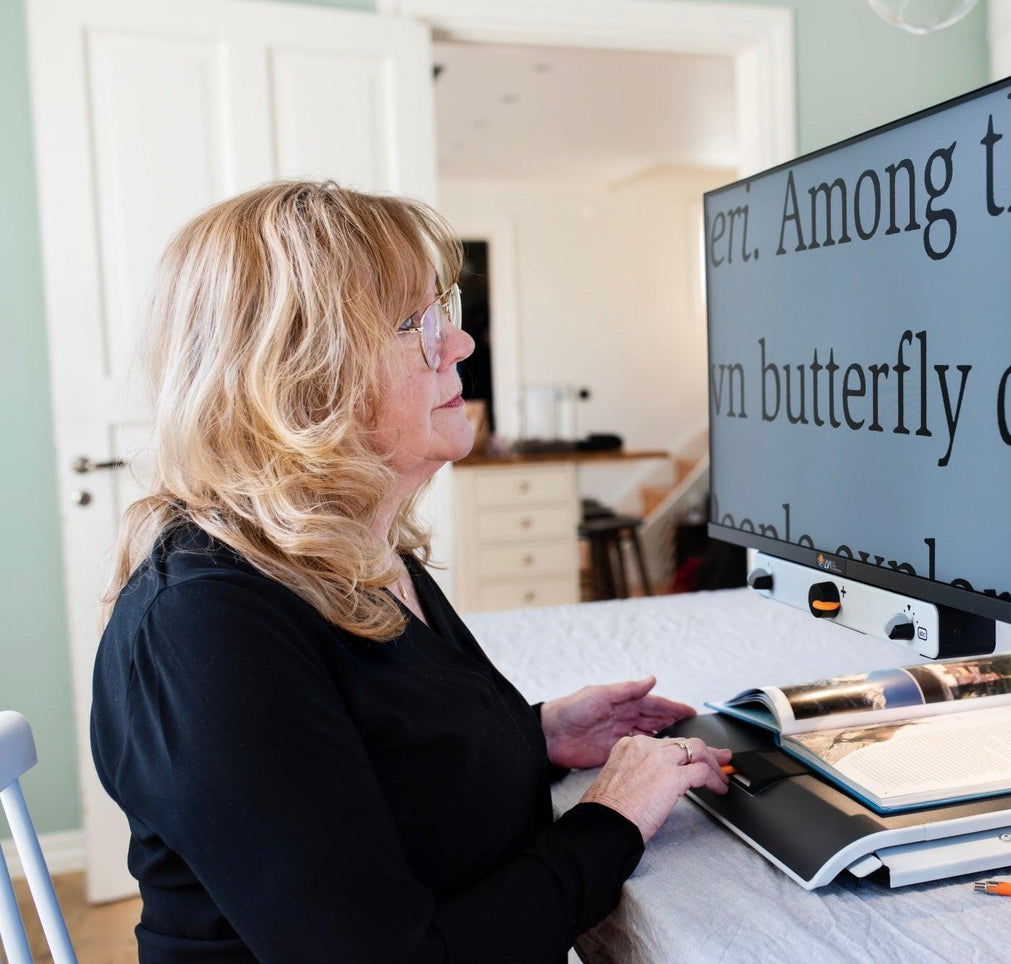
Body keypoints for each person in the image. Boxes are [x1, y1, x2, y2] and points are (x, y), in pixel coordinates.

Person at [90, 180, 731, 963]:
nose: (458, 344)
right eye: (413, 324)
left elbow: (375, 768)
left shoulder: (361, 551)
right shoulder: (204, 627)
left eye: (442, 312)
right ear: (297, 377)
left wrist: (535, 735)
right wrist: (613, 817)